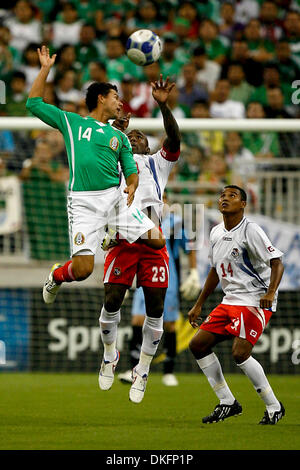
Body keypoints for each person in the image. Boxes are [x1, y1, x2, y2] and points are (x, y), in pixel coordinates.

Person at [26, 46, 165, 304]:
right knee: (83, 271)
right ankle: (57, 275)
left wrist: (132, 186)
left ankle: (112, 232)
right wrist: (45, 69)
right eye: (115, 97)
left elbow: (131, 172)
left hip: (115, 200)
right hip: (84, 204)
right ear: (101, 98)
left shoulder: (119, 137)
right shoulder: (72, 122)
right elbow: (33, 103)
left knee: (157, 241)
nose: (120, 102)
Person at [99, 76, 182, 404]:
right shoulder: (113, 161)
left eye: (139, 137)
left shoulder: (157, 164)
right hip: (122, 240)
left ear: (148, 147)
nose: (134, 138)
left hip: (153, 242)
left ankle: (143, 369)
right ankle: (109, 354)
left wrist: (163, 105)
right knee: (112, 301)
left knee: (156, 308)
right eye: (129, 136)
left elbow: (174, 138)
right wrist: (114, 128)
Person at [188, 185, 285, 425]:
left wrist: (271, 293)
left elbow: (277, 262)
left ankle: (274, 406)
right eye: (222, 195)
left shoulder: (251, 230)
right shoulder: (216, 232)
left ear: (243, 204)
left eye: (232, 196)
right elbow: (214, 270)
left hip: (255, 300)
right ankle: (227, 402)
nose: (225, 199)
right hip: (230, 300)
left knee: (240, 353)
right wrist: (199, 304)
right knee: (198, 345)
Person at [118, 192, 200, 387]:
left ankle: (169, 371)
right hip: (143, 276)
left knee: (170, 324)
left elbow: (190, 247)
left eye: (162, 198)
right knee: (137, 320)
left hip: (168, 278)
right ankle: (134, 370)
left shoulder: (175, 221)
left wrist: (194, 272)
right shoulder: (139, 218)